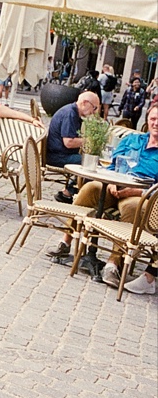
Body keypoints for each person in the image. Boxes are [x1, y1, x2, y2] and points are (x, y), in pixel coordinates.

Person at [47, 102, 158, 293]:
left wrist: (135, 191)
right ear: (147, 120)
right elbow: (113, 164)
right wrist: (113, 181)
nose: (156, 123)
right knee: (90, 188)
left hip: (140, 194)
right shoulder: (133, 140)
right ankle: (66, 241)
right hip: (113, 186)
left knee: (132, 208)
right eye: (153, 118)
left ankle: (113, 264)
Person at [47, 92, 102, 202]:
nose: (94, 112)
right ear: (85, 103)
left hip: (60, 153)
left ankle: (69, 192)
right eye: (94, 107)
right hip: (57, 155)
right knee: (91, 164)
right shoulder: (70, 114)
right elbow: (69, 142)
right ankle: (80, 196)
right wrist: (88, 141)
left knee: (91, 161)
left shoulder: (73, 112)